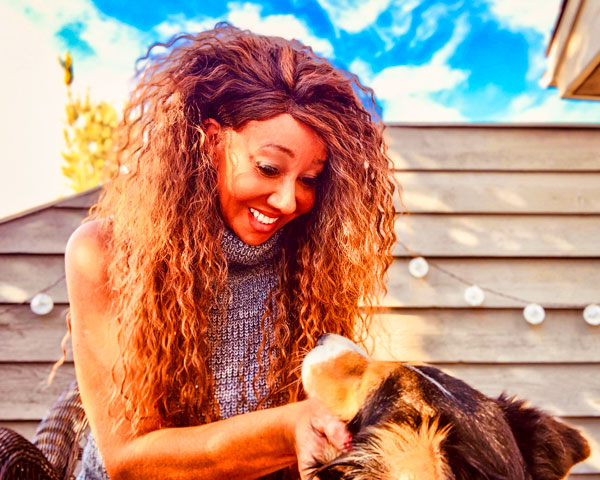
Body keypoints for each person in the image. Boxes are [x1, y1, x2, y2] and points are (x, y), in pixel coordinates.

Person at [65, 23, 397, 480]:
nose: (287, 201)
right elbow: (128, 459)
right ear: (211, 141)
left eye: (307, 180)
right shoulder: (104, 252)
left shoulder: (312, 265)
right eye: (268, 168)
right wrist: (285, 430)